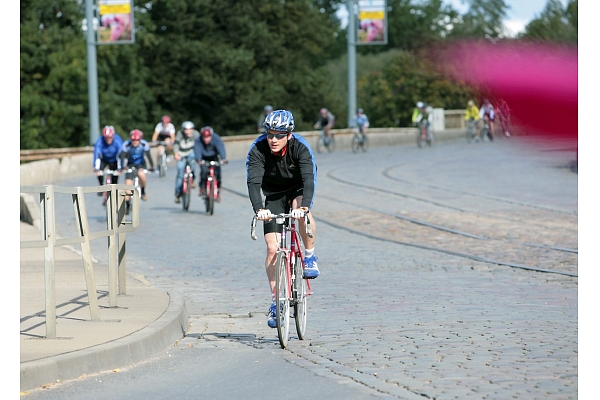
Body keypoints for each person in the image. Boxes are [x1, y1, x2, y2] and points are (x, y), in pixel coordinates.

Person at [246, 109, 319, 329]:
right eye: (270, 134)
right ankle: (277, 300)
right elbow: (253, 183)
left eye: (279, 135)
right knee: (271, 248)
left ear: (289, 135)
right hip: (274, 194)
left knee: (300, 209)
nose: (273, 140)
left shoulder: (300, 148)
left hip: (298, 188)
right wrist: (259, 209)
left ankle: (309, 256)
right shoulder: (258, 149)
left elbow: (309, 179)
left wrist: (305, 206)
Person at [120, 129, 155, 214]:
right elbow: (122, 157)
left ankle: (143, 191)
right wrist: (122, 167)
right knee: (128, 185)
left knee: (141, 174)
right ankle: (127, 206)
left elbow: (148, 156)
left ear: (140, 140)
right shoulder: (126, 144)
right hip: (130, 164)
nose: (135, 142)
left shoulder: (144, 144)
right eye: (133, 140)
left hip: (140, 164)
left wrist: (152, 166)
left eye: (137, 140)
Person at [193, 126, 228, 200]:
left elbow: (221, 148)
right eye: (204, 137)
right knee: (204, 172)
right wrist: (199, 159)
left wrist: (223, 159)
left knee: (218, 174)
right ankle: (202, 187)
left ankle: (217, 190)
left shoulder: (216, 139)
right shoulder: (198, 140)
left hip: (214, 157)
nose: (206, 139)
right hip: (204, 158)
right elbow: (197, 149)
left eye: (208, 137)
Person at [173, 121, 200, 203]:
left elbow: (199, 145)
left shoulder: (196, 134)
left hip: (191, 152)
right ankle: (177, 193)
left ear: (193, 129)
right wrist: (176, 153)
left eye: (190, 129)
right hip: (181, 153)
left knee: (192, 164)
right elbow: (176, 144)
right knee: (180, 172)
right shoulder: (180, 134)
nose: (188, 132)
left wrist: (199, 156)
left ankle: (192, 179)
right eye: (186, 130)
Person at [93, 126, 124, 194]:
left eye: (110, 137)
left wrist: (120, 168)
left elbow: (121, 155)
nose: (108, 139)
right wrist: (96, 167)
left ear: (113, 136)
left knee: (115, 177)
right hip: (104, 159)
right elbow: (96, 155)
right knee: (99, 173)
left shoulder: (118, 141)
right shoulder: (99, 141)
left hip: (115, 159)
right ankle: (101, 187)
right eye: (106, 137)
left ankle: (115, 191)